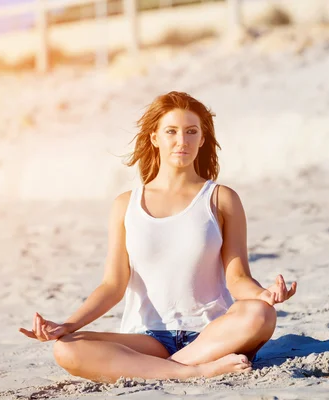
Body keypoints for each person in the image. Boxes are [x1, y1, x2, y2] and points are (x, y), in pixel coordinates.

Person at [19, 91, 297, 382]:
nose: (182, 141)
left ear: (202, 139)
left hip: (212, 335)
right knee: (66, 349)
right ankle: (196, 371)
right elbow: (113, 284)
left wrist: (262, 294)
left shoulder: (220, 199)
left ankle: (166, 370)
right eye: (172, 131)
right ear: (155, 138)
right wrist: (68, 325)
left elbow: (237, 277)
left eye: (191, 132)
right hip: (147, 339)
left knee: (262, 314)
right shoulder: (126, 204)